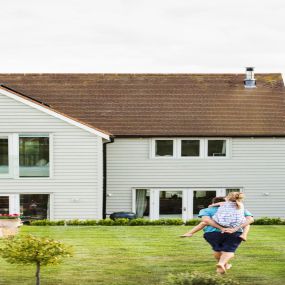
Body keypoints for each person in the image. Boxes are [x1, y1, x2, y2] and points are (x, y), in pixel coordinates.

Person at [198, 194, 254, 274]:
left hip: (212, 234)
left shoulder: (209, 209)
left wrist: (221, 228)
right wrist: (235, 229)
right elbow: (250, 219)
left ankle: (224, 265)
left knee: (218, 250)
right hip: (233, 232)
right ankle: (221, 263)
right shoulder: (241, 207)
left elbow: (205, 221)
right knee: (229, 251)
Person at [181, 193, 250, 241]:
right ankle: (244, 235)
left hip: (221, 224)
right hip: (235, 225)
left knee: (205, 222)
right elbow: (249, 219)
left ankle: (190, 233)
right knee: (247, 223)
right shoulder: (240, 206)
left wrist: (211, 205)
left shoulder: (222, 204)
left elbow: (214, 206)